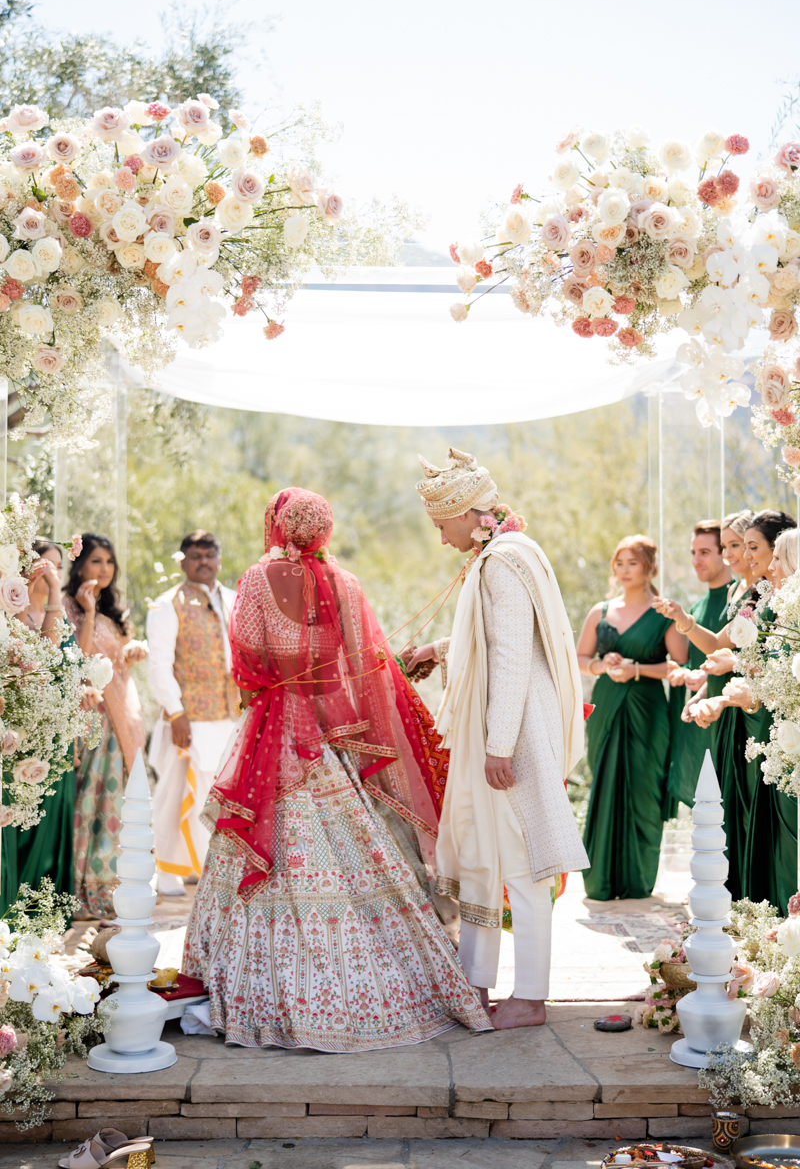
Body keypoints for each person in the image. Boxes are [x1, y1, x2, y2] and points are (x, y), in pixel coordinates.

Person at [183, 488, 491, 1050]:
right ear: (323, 528)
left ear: (277, 523)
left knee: (262, 849)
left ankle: (271, 994)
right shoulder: (346, 585)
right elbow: (365, 668)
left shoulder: (256, 579)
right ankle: (375, 986)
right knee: (361, 855)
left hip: (274, 734)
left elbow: (246, 661)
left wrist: (276, 685)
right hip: (333, 742)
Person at [406, 448, 589, 1030]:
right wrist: (437, 652)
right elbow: (494, 644)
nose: (440, 540)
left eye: (441, 526)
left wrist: (499, 746)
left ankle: (530, 997)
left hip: (509, 738)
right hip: (502, 730)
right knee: (487, 854)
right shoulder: (509, 553)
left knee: (523, 860)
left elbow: (510, 657)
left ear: (465, 513)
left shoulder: (502, 562)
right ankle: (477, 984)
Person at [657, 510, 797, 912]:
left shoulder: (773, 597)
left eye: (748, 546)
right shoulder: (755, 595)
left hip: (766, 713)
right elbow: (727, 647)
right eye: (736, 546)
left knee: (771, 820)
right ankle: (748, 901)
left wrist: (727, 670)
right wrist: (708, 685)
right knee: (740, 810)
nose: (745, 556)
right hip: (742, 707)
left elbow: (755, 657)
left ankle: (768, 905)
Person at [577, 535, 688, 902]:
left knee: (644, 789)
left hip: (648, 711)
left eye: (633, 563)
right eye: (619, 563)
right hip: (606, 707)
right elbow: (579, 659)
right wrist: (602, 666)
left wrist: (638, 669)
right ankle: (601, 881)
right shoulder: (600, 610)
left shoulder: (663, 612)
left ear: (650, 568)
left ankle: (638, 880)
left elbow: (680, 664)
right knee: (605, 785)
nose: (624, 570)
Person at [147, 531, 238, 897]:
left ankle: (203, 870)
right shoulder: (167, 604)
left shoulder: (232, 600)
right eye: (195, 555)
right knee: (174, 794)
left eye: (209, 554)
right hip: (187, 717)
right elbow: (158, 664)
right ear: (182, 561)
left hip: (227, 715)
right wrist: (175, 712)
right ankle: (167, 873)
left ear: (218, 558)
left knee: (213, 796)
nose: (203, 561)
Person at [64, 534, 147, 919]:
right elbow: (78, 659)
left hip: (122, 720)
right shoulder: (67, 606)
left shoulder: (113, 610)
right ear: (79, 565)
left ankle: (112, 889)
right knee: (91, 803)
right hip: (92, 720)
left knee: (116, 807)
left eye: (109, 562)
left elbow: (116, 658)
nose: (104, 569)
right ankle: (82, 891)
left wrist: (132, 650)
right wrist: (88, 610)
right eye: (96, 561)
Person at [0, 541, 74, 910]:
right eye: (46, 563)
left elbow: (51, 653)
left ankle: (35, 905)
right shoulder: (10, 609)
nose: (51, 570)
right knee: (14, 819)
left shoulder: (51, 612)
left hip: (44, 725)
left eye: (58, 566)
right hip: (13, 725)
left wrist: (56, 592)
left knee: (37, 815)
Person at [666, 521, 732, 807]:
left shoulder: (740, 600)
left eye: (704, 552)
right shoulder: (697, 607)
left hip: (729, 716)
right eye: (693, 552)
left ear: (725, 553)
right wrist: (686, 675)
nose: (696, 560)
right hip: (699, 714)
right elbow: (698, 661)